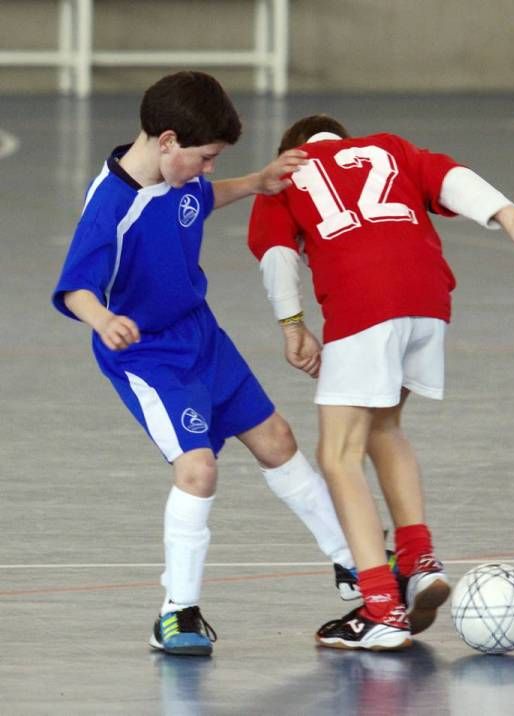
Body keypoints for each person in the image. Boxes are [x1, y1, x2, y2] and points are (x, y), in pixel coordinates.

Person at [51, 74, 359, 657]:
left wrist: (257, 183)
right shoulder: (112, 206)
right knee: (198, 469)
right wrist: (102, 320)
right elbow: (74, 287)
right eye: (206, 157)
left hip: (202, 336)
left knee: (277, 439)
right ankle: (177, 612)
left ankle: (353, 562)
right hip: (146, 355)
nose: (209, 168)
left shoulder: (179, 175)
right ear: (168, 140)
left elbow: (199, 199)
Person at [248, 114, 514, 651]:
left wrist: (293, 326)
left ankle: (383, 607)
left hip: (366, 304)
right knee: (384, 425)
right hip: (427, 298)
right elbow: (451, 177)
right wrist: (508, 215)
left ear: (291, 148)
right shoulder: (389, 148)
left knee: (338, 454)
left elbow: (277, 256)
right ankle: (418, 558)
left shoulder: (285, 174)